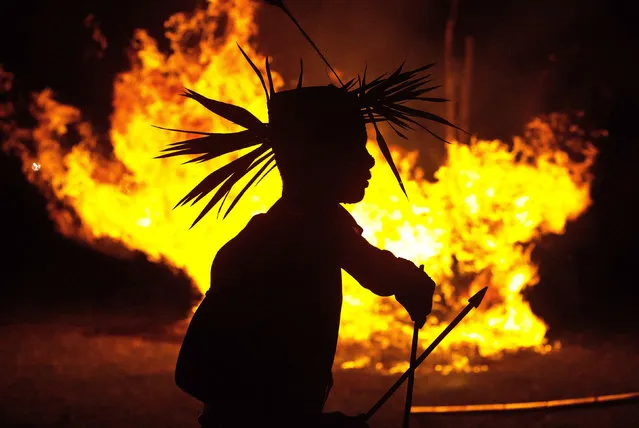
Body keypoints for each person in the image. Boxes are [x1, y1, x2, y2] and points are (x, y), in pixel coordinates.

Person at [158, 4, 457, 426]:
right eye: (354, 151)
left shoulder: (266, 232)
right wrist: (412, 281)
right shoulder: (314, 226)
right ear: (319, 162)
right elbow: (377, 273)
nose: (369, 163)